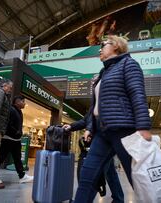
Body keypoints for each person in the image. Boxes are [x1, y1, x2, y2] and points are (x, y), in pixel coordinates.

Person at [74, 35, 152, 203]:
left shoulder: (128, 64)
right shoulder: (104, 72)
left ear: (116, 46)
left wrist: (143, 127)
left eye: (103, 44)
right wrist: (90, 127)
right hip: (102, 133)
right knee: (88, 176)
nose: (100, 48)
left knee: (139, 180)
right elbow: (96, 108)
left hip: (124, 131)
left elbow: (137, 95)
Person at [63, 109, 125, 202]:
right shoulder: (95, 101)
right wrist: (71, 126)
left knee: (94, 174)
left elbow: (97, 116)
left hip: (107, 135)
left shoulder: (105, 98)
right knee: (110, 172)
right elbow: (87, 119)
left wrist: (89, 129)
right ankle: (118, 198)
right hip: (104, 137)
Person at [0, 95, 34, 183]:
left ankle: (22, 176)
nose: (24, 103)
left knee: (17, 158)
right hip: (8, 139)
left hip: (16, 140)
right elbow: (8, 124)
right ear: (17, 102)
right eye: (23, 101)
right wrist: (16, 132)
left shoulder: (19, 111)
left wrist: (19, 133)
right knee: (0, 158)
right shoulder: (11, 110)